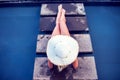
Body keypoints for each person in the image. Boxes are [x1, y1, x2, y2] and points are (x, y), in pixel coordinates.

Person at [46, 4, 79, 72]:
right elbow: (75, 66)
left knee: (58, 24)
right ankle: (61, 12)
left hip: (57, 43)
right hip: (63, 43)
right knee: (61, 23)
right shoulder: (68, 55)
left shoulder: (54, 57)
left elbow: (50, 67)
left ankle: (60, 12)